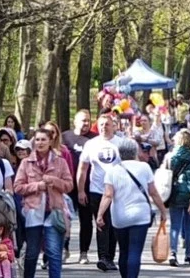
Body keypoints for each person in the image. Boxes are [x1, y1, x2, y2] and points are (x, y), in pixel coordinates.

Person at [97, 139, 168, 278]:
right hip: (140, 216)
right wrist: (163, 210)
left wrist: (100, 215)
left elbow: (108, 195)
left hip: (120, 216)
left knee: (123, 251)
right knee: (135, 251)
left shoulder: (112, 171)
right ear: (136, 151)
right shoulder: (145, 168)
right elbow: (153, 192)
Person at [14, 128, 73, 278]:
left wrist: (54, 181)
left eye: (43, 140)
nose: (40, 143)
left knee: (53, 253)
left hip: (54, 212)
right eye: (37, 140)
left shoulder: (60, 162)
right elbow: (18, 187)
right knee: (32, 252)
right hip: (33, 211)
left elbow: (69, 185)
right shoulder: (26, 163)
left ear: (50, 141)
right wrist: (37, 186)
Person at [77, 114, 123, 272]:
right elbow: (82, 169)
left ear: (113, 126)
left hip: (117, 191)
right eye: (101, 124)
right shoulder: (91, 144)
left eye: (107, 124)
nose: (104, 127)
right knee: (102, 222)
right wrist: (81, 190)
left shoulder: (121, 143)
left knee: (114, 224)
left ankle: (110, 256)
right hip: (97, 190)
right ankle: (103, 257)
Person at [62, 110, 97, 265]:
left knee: (86, 220)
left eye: (88, 121)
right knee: (64, 218)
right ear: (75, 121)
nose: (86, 124)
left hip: (87, 185)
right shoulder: (65, 137)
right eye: (83, 120)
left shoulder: (94, 139)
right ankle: (64, 248)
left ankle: (84, 252)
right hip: (68, 185)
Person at [164, 130, 190, 267]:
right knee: (189, 226)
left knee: (175, 226)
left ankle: (173, 253)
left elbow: (166, 174)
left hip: (176, 192)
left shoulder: (171, 156)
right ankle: (188, 255)